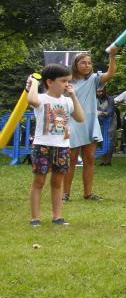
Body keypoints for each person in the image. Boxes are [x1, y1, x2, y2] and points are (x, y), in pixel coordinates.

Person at [26, 65, 85, 226]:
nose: (67, 84)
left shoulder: (67, 101)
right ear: (50, 82)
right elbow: (31, 99)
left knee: (57, 183)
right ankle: (35, 218)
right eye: (64, 81)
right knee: (38, 182)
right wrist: (34, 83)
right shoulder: (41, 99)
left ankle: (57, 216)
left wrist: (73, 96)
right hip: (42, 146)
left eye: (69, 81)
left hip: (62, 147)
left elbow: (80, 118)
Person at [63, 50, 117, 201]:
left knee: (89, 159)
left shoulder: (94, 79)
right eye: (83, 62)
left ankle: (88, 193)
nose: (87, 65)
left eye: (89, 63)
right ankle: (65, 193)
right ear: (76, 64)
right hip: (72, 123)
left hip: (90, 123)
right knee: (71, 160)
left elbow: (111, 73)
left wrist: (112, 56)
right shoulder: (67, 81)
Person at [96, 87, 118, 166]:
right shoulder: (94, 98)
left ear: (105, 90)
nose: (100, 93)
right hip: (99, 121)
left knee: (110, 139)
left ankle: (108, 161)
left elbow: (110, 112)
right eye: (98, 91)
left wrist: (99, 113)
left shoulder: (110, 99)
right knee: (101, 140)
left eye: (102, 91)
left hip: (110, 121)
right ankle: (103, 160)